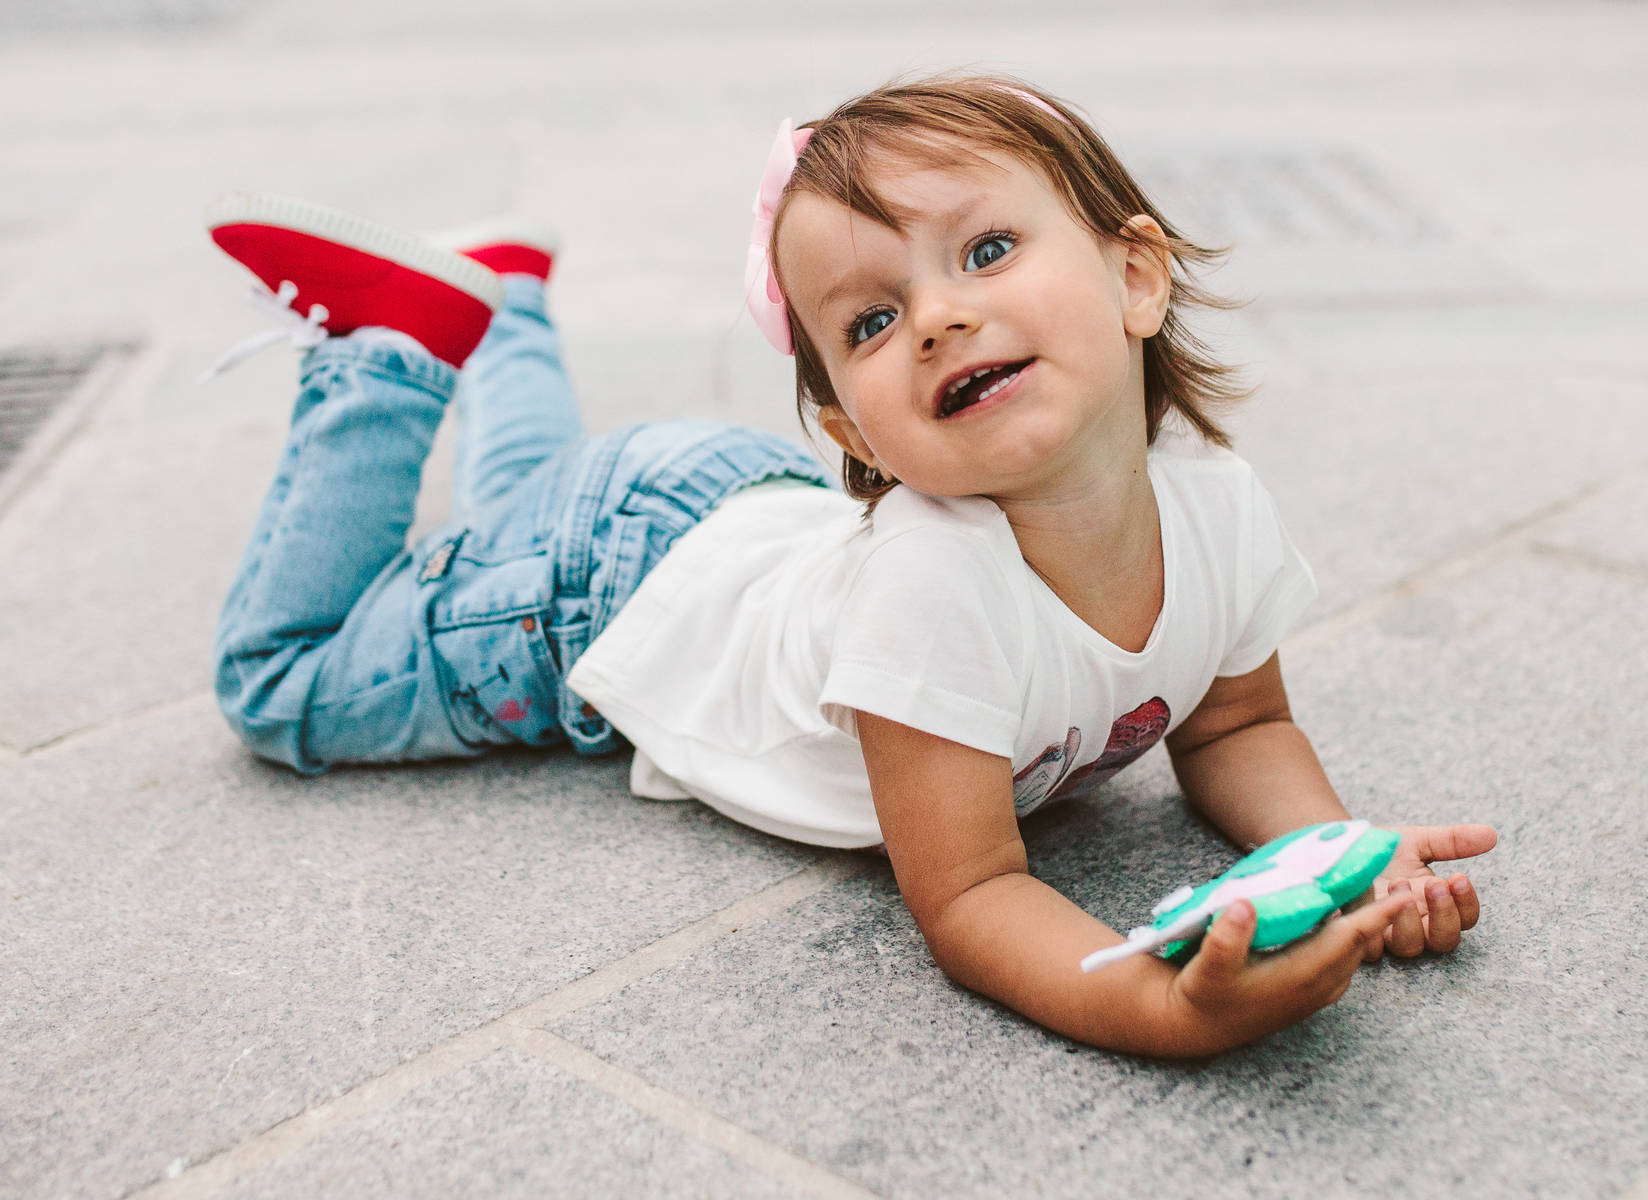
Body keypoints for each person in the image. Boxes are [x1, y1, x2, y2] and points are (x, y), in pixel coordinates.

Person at [204, 74, 1496, 1058]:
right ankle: (392, 351)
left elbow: (1238, 723)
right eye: (871, 322)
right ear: (848, 426)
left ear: (1136, 276)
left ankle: (503, 309)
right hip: (605, 584)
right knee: (283, 684)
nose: (937, 315)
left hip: (715, 521)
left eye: (987, 251)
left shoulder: (1216, 508)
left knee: (510, 518)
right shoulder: (935, 589)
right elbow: (977, 892)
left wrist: (1341, 853)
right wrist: (1160, 1004)